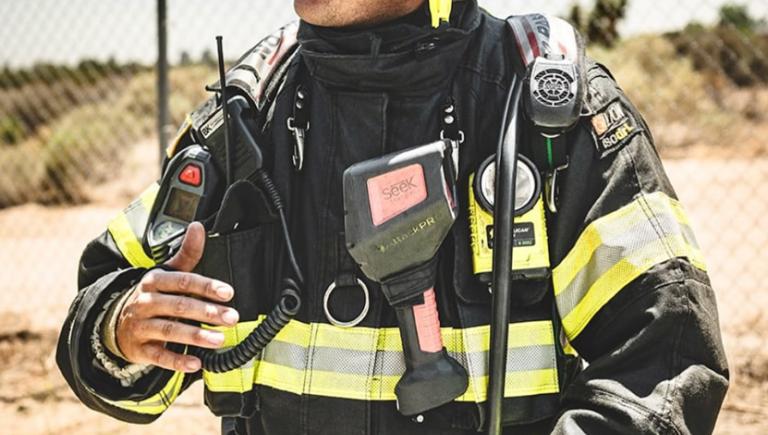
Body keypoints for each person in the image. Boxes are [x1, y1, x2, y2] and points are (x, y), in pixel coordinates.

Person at [57, 1, 730, 434]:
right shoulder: (245, 120)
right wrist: (121, 325)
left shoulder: (548, 114)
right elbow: (106, 301)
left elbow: (663, 356)